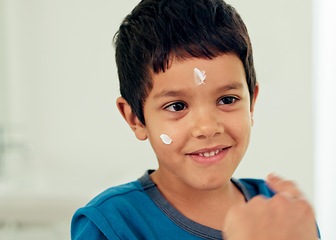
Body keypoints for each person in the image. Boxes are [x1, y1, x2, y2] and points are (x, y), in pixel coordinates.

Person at [70, 0, 319, 239]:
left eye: (227, 100)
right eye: (177, 106)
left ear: (252, 101)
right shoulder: (111, 223)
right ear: (135, 118)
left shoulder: (281, 215)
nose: (208, 128)